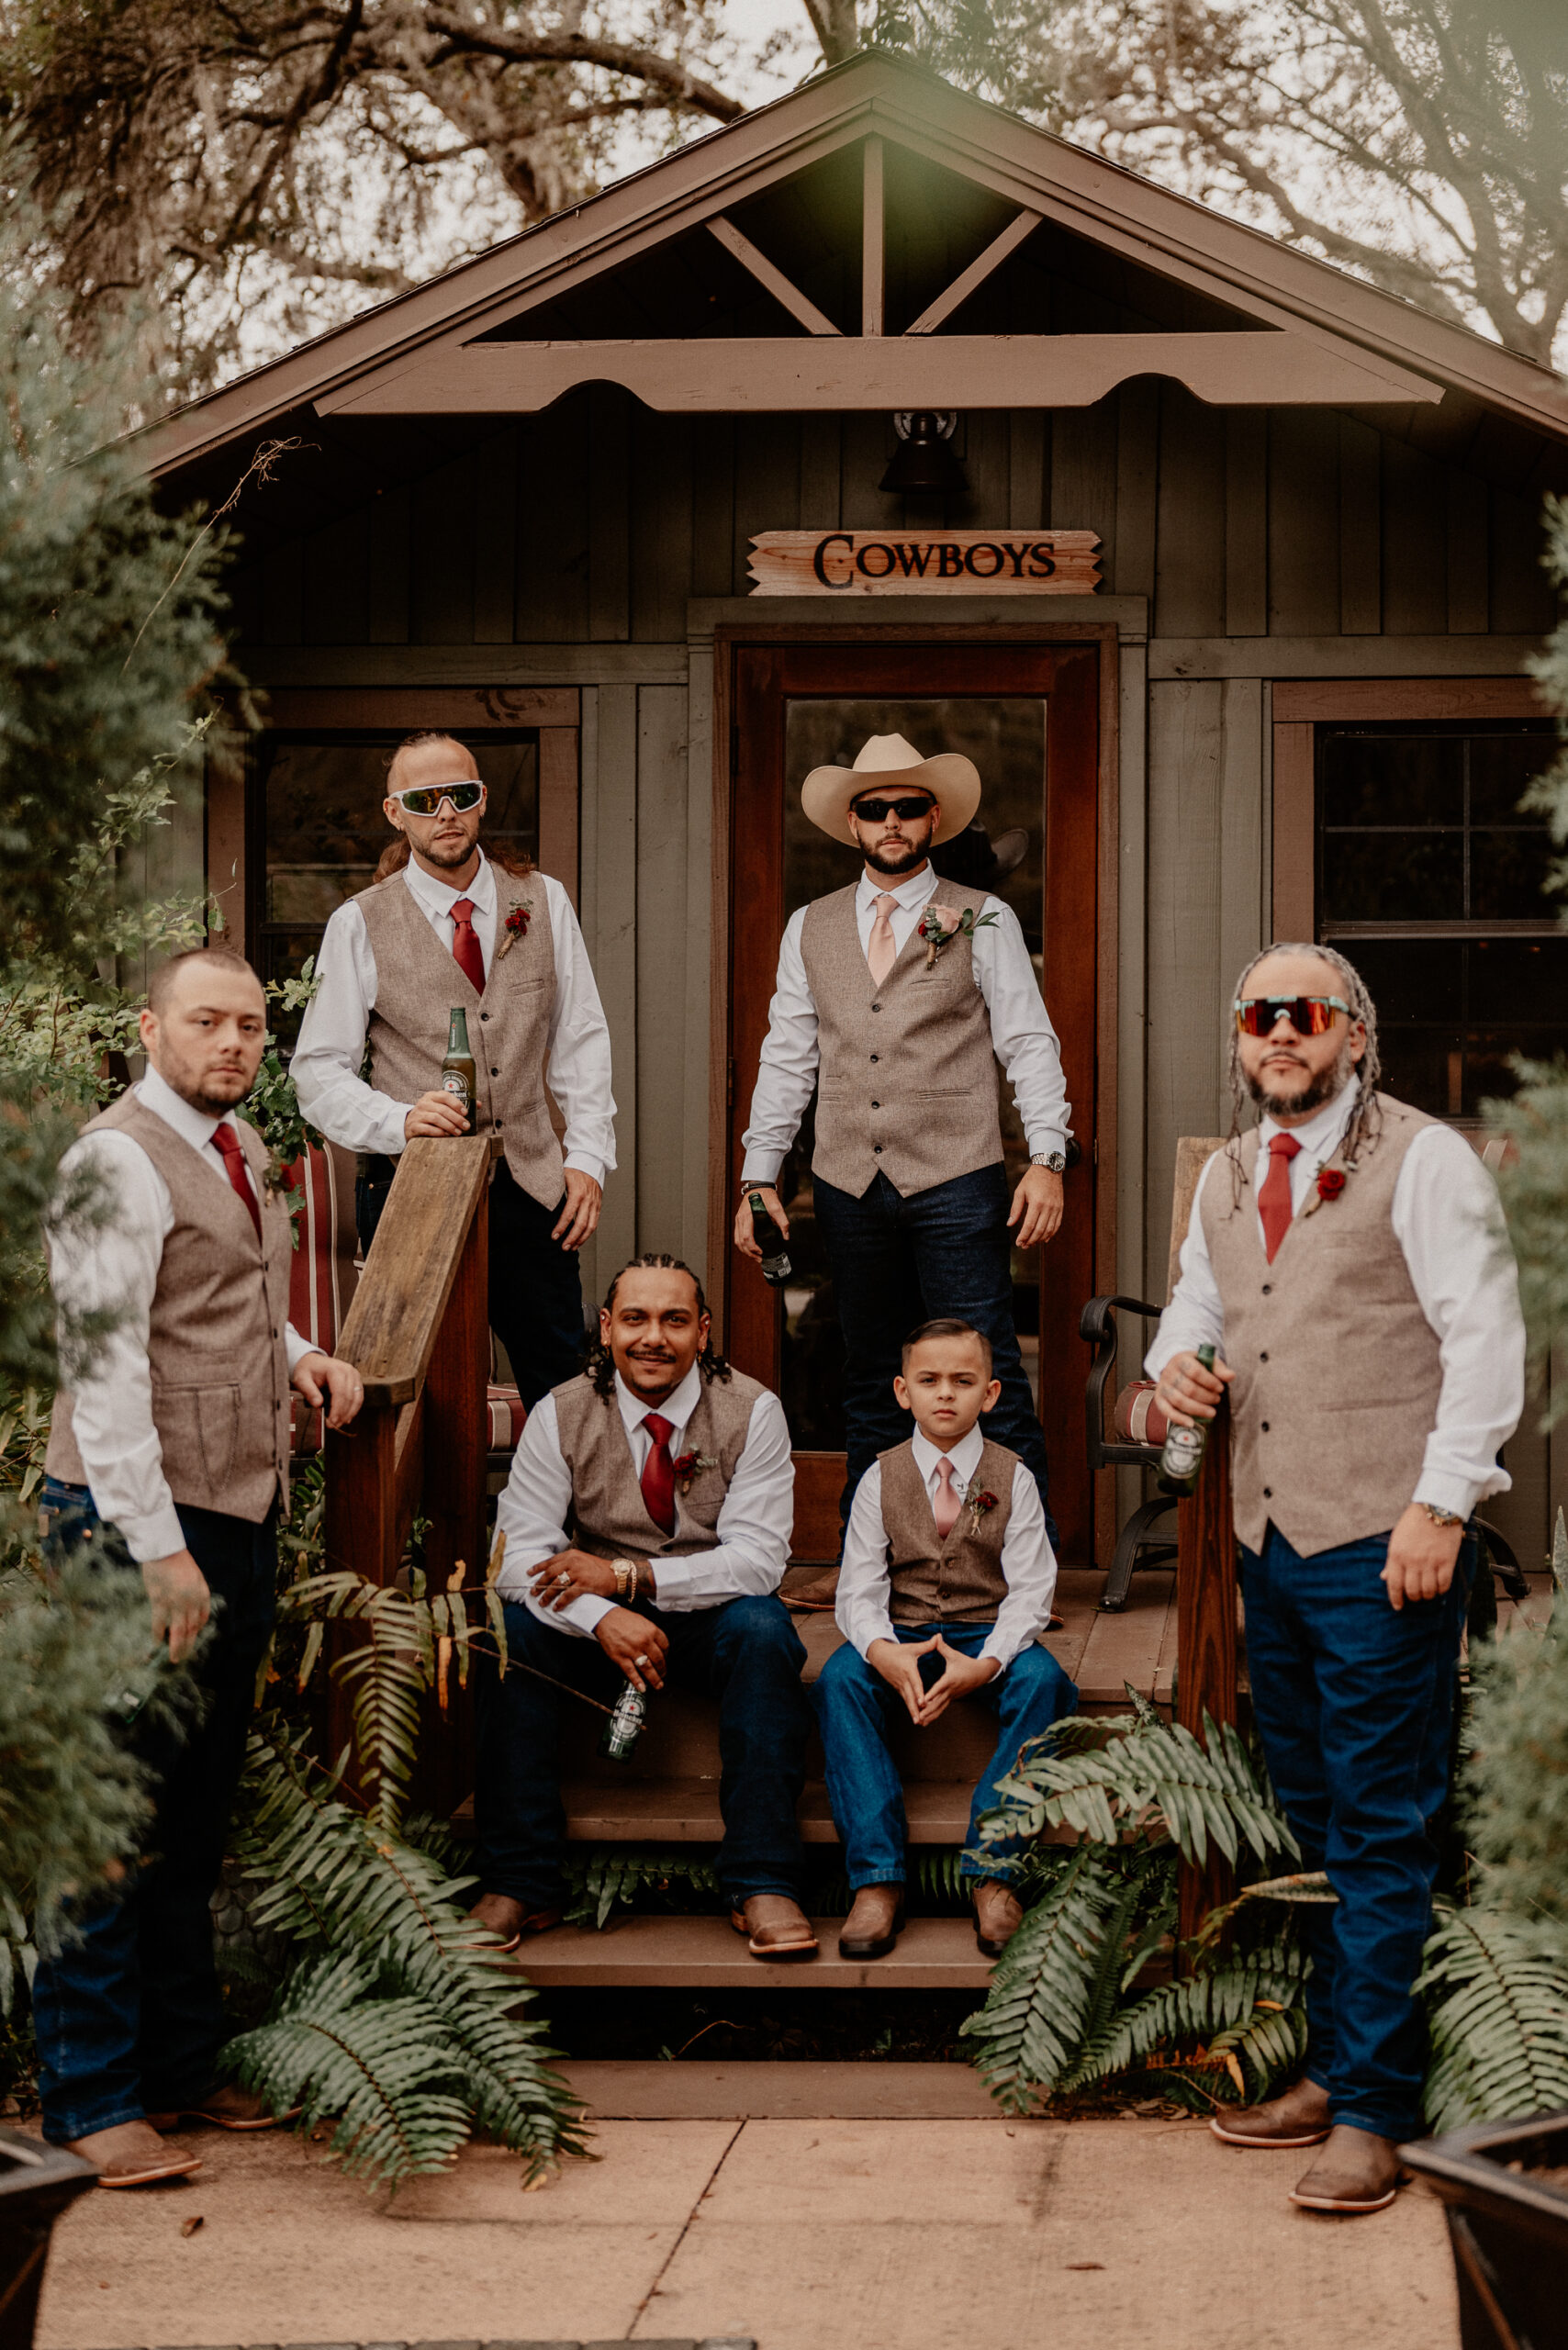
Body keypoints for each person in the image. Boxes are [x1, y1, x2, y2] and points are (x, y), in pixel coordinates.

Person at [1147, 942, 1525, 2217]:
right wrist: (1172, 1382)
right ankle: (1332, 2070)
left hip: (1385, 1542)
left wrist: (1440, 1504)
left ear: (1355, 1034)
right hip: (1271, 1545)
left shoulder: (1426, 1160)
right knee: (1314, 1818)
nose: (1279, 1033)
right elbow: (1196, 1317)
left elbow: (1486, 1341)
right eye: (1257, 1014)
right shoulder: (1229, 1176)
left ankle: (1375, 2111)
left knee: (1380, 1822)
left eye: (1306, 1013)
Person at [37, 946, 365, 2188]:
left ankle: (176, 2068)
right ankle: (89, 2095)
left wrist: (296, 1355)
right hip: (137, 1525)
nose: (232, 1043)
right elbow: (108, 1378)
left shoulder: (233, 1147)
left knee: (190, 1807)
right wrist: (158, 1552)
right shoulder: (116, 1160)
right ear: (150, 1027)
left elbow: (213, 1296)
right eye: (206, 1022)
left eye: (250, 1025)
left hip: (226, 1509)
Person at [735, 733, 1070, 1541]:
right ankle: (873, 1559)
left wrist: (1049, 1157)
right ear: (852, 824)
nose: (891, 819)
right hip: (849, 1183)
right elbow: (786, 1057)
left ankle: (1025, 1559)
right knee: (869, 1375)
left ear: (934, 819)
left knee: (986, 1365)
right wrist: (759, 1175)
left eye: (908, 806)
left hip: (957, 1178)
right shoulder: (808, 927)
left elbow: (1027, 1041)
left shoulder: (981, 916)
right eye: (874, 808)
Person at [475, 1254, 818, 1960]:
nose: (652, 1337)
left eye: (674, 1320)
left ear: (704, 1331)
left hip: (705, 1614)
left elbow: (756, 1562)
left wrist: (627, 1580)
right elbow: (513, 1558)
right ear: (606, 1328)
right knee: (508, 1635)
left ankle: (762, 1879)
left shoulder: (752, 1410)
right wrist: (602, 1615)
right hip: (594, 1626)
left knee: (765, 1632)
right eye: (634, 1319)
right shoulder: (560, 1412)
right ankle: (521, 1880)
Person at [291, 729, 616, 1404]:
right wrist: (399, 1118)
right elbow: (318, 1072)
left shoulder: (543, 900)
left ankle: (555, 1516)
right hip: (414, 1187)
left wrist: (586, 1156)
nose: (446, 813)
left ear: (482, 802)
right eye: (425, 799)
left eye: (460, 795)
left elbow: (580, 1036)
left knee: (561, 1386)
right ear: (395, 812)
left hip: (532, 1184)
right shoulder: (359, 924)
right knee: (424, 1398)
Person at [812, 1317, 1076, 1962]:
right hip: (901, 1630)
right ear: (904, 1392)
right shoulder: (881, 1477)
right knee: (840, 1680)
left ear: (990, 1393)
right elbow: (858, 1590)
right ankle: (877, 1880)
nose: (945, 1394)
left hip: (985, 1629)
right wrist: (883, 1652)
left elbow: (1033, 1589)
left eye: (963, 1381)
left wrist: (987, 1663)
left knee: (1045, 1683)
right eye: (929, 1381)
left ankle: (995, 1870)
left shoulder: (1011, 1476)